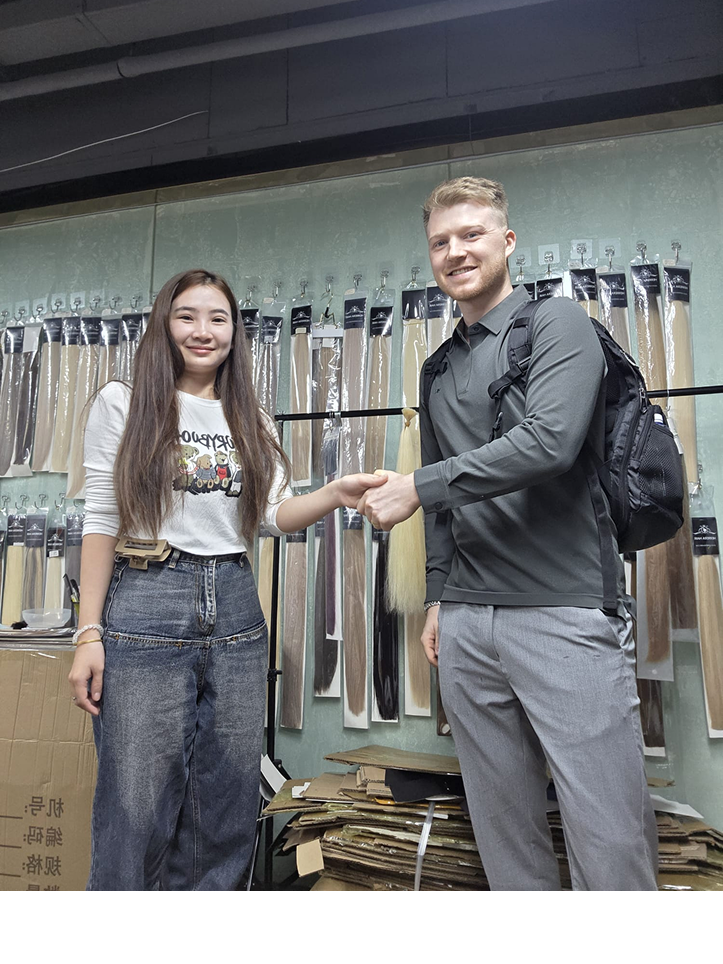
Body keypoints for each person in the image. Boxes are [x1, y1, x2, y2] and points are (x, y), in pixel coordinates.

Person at [358, 176, 659, 891]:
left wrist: (416, 486)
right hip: (467, 624)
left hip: (562, 611)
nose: (455, 252)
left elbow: (549, 442)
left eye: (471, 235)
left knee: (609, 835)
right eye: (440, 242)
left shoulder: (557, 324)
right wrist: (439, 596)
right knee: (504, 836)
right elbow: (444, 508)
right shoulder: (437, 367)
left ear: (507, 240)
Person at [68, 268, 386, 892]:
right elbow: (101, 518)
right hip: (148, 601)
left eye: (218, 319)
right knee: (136, 809)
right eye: (187, 316)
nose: (203, 330)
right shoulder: (122, 403)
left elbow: (271, 516)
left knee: (227, 806)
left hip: (237, 610)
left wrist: (333, 494)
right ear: (164, 324)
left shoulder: (251, 419)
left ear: (235, 333)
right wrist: (88, 633)